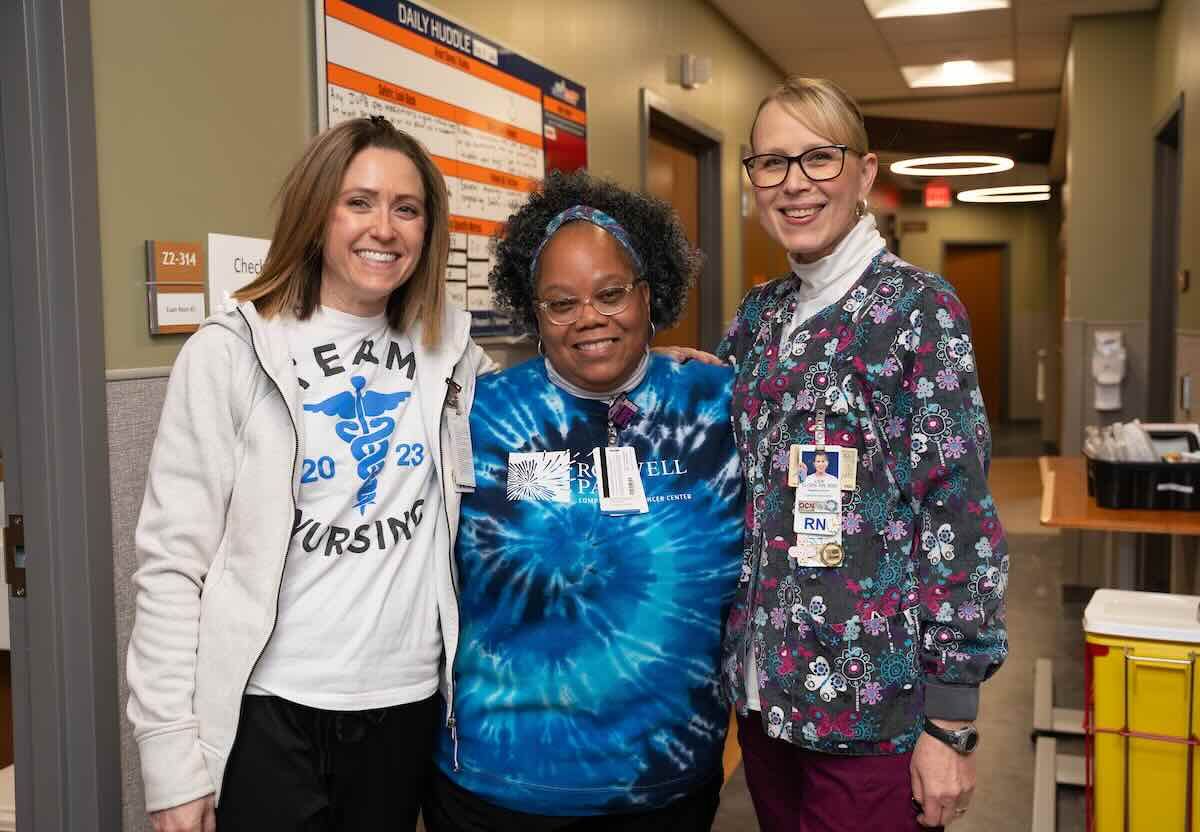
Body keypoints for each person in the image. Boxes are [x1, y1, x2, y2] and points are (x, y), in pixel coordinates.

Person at [126, 116, 492, 832]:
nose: (383, 228)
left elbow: (543, 412)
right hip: (270, 713)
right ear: (316, 211)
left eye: (406, 208)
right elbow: (172, 566)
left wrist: (651, 379)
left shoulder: (450, 351)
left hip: (405, 706)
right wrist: (171, 759)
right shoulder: (230, 352)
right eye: (358, 201)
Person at [717, 77, 1008, 830]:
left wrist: (951, 722)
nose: (793, 184)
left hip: (872, 711)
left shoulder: (917, 311)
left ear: (865, 174)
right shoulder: (759, 317)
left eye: (818, 158)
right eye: (771, 164)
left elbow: (959, 519)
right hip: (767, 698)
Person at [421, 171, 744, 831]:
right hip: (498, 788)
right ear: (533, 312)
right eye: (560, 303)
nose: (589, 318)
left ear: (649, 294)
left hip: (668, 783)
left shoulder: (717, 405)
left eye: (611, 293)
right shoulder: (474, 416)